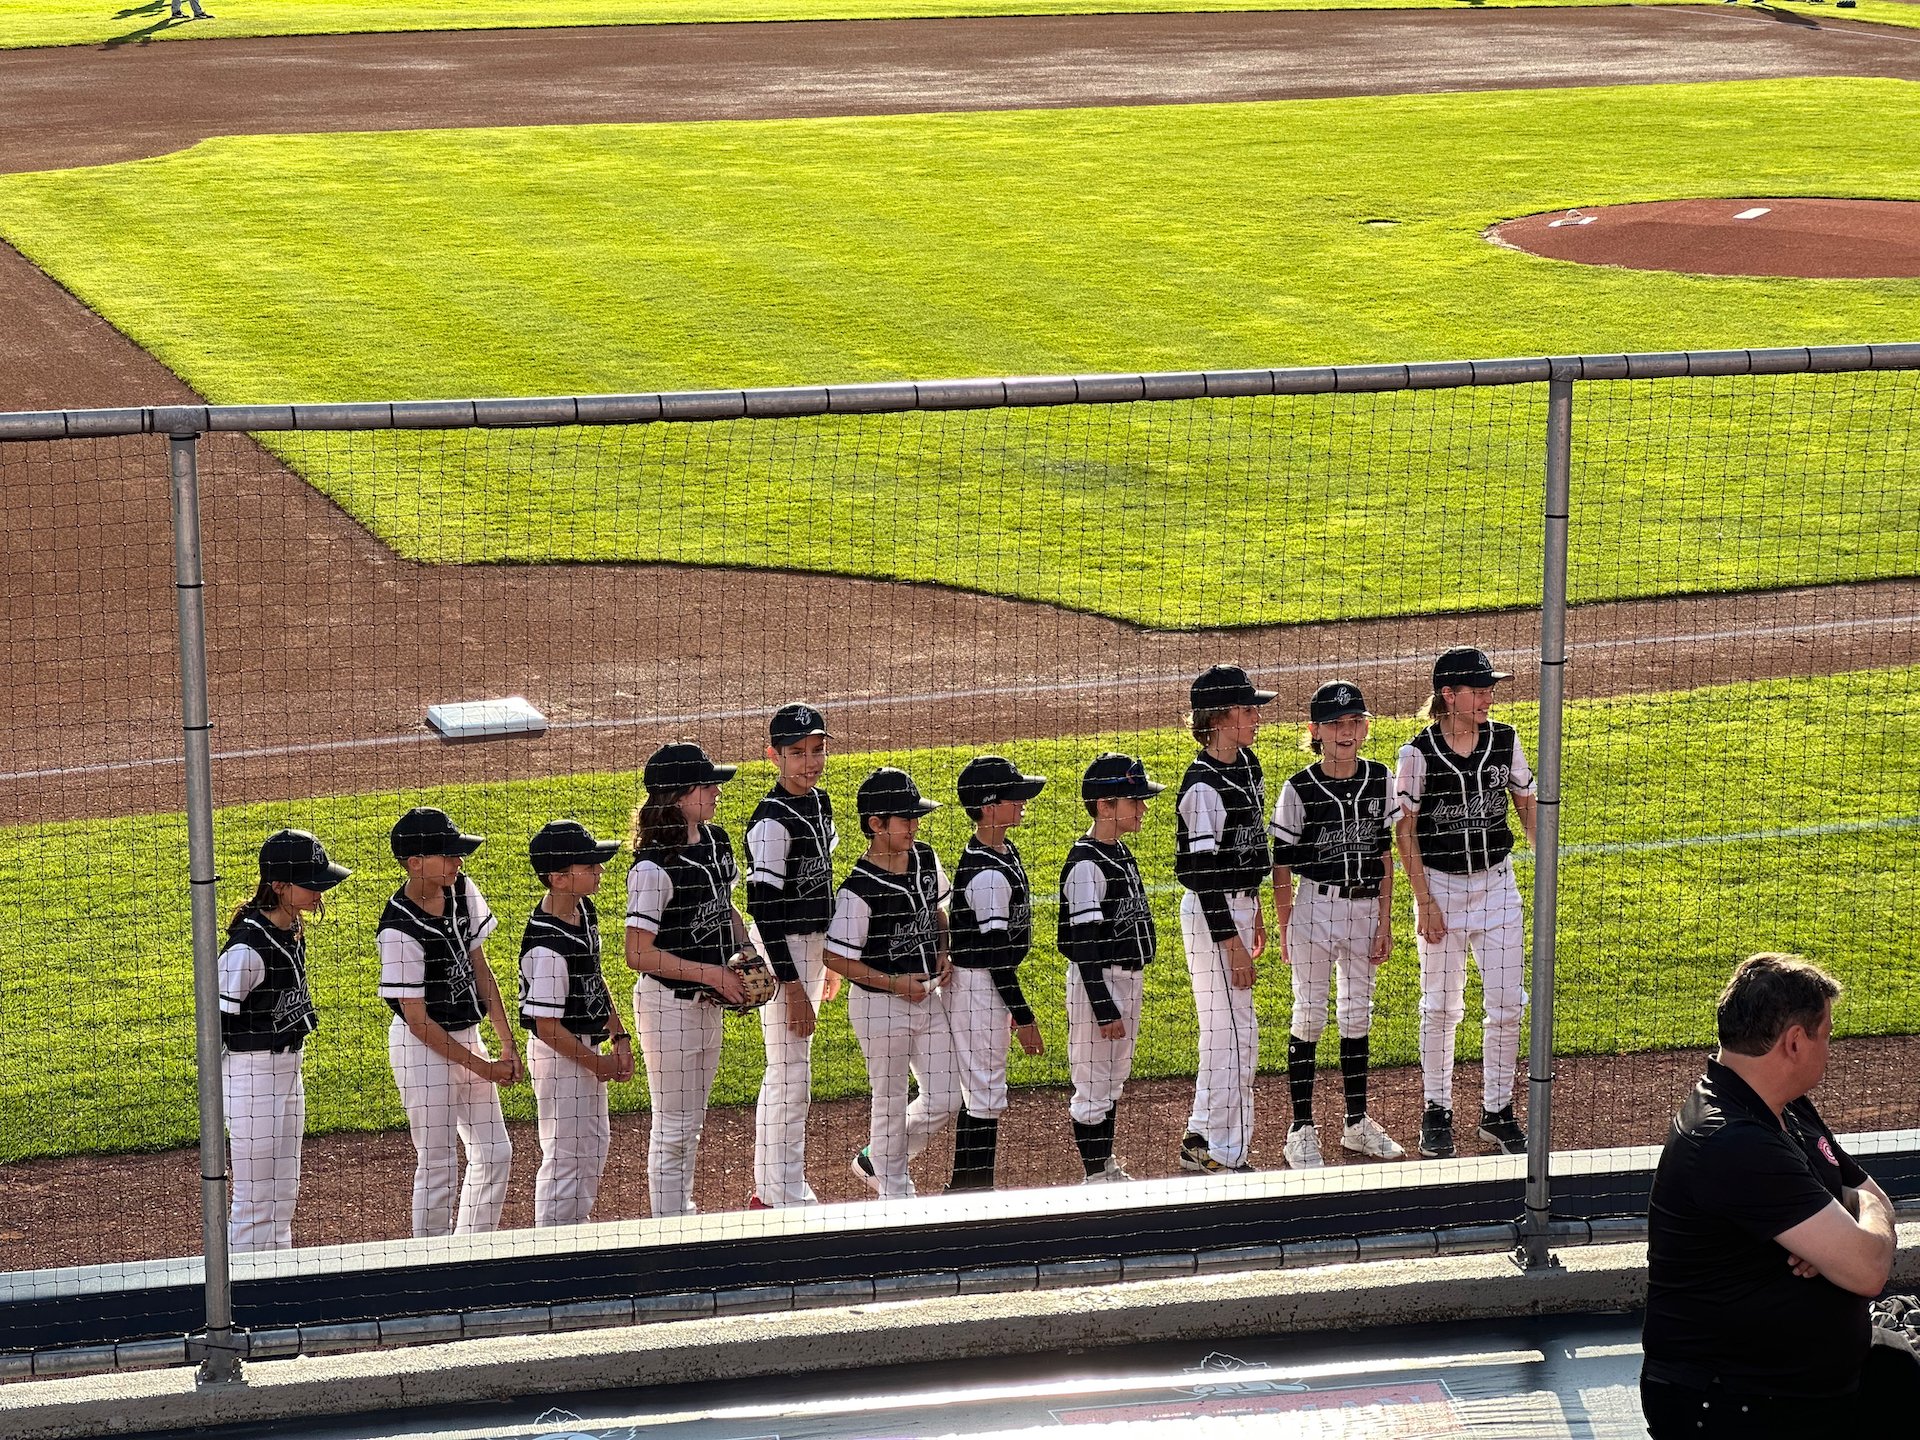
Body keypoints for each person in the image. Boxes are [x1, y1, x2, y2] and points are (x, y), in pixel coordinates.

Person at [1642, 953, 1920, 1435]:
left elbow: (1866, 1194)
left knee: (1898, 1366)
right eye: (1826, 1034)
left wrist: (1837, 1229)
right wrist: (1843, 1234)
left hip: (1802, 1385)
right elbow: (1869, 1267)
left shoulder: (1784, 1108)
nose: (1829, 1049)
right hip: (1738, 1405)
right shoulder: (1732, 1140)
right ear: (1795, 1041)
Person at [1393, 646, 1536, 1160]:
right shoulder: (1417, 754)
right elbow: (1403, 833)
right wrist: (1425, 901)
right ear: (1447, 695)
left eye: (1490, 689)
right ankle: (1437, 1109)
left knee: (1506, 1007)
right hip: (1442, 891)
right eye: (1479, 690)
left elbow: (1525, 803)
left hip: (1497, 886)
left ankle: (1497, 1113)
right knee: (1440, 1006)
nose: (1488, 698)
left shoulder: (1505, 739)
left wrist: (1542, 863)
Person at [1270, 681, 1404, 1167]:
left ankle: (1356, 1123)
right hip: (1315, 910)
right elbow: (1280, 865)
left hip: (1366, 909)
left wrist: (1385, 920)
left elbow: (1385, 854)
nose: (1346, 732)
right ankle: (1300, 1127)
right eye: (1335, 724)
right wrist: (1286, 926)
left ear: (1365, 728)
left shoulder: (1380, 778)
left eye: (1354, 723)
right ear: (1315, 731)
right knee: (1310, 1012)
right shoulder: (1299, 788)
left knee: (1357, 1014)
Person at [625, 741, 756, 1218]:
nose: (717, 791)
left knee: (692, 1123)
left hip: (708, 1002)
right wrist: (711, 973)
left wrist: (746, 953)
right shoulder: (653, 868)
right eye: (707, 784)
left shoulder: (717, 842)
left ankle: (680, 1211)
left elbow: (726, 910)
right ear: (680, 795)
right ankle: (669, 1227)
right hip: (669, 1008)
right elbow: (636, 953)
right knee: (673, 1126)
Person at [378, 806, 521, 1237]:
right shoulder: (398, 929)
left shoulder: (461, 890)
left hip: (466, 1034)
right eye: (448, 855)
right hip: (422, 1051)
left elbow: (480, 967)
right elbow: (418, 1020)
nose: (459, 862)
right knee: (438, 1163)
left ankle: (470, 1250)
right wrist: (483, 1068)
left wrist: (506, 1042)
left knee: (495, 1153)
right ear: (415, 862)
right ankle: (430, 1267)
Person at [824, 767, 957, 1200]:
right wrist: (895, 984)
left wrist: (943, 947)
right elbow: (835, 957)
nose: (914, 826)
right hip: (881, 1007)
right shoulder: (857, 890)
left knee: (946, 1097)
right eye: (905, 819)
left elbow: (939, 909)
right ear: (876, 825)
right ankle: (894, 1190)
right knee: (889, 1096)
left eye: (916, 817)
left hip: (927, 998)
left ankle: (874, 1160)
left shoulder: (924, 858)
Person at [218, 829, 349, 1252]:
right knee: (255, 1200)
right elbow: (213, 1024)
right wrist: (229, 1090)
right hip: (252, 1075)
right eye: (309, 882)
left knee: (284, 1191)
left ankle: (279, 1282)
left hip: (289, 1069)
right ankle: (238, 1297)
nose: (320, 890)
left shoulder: (290, 926)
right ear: (278, 885)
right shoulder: (246, 950)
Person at [1175, 663, 1273, 1175]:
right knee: (1238, 1035)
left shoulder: (1247, 765)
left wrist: (1252, 908)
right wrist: (1231, 939)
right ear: (1220, 717)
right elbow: (1204, 873)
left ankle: (1201, 1134)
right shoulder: (1203, 787)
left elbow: (1248, 848)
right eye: (1248, 708)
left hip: (1238, 905)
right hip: (1213, 913)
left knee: (1222, 1032)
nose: (1257, 716)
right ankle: (1229, 1155)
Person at [743, 703, 842, 1209]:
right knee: (789, 1074)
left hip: (812, 951)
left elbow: (821, 887)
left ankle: (778, 1187)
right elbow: (764, 911)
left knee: (792, 1073)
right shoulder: (770, 822)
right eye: (797, 753)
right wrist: (794, 987)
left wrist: (826, 962)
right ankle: (778, 1192)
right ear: (774, 756)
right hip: (784, 952)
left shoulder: (821, 804)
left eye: (817, 750)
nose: (809, 762)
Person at [518, 819, 630, 1228]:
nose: (600, 870)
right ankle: (551, 1250)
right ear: (559, 878)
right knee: (566, 1154)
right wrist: (595, 1063)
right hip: (560, 1056)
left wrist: (619, 1035)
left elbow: (594, 977)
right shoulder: (547, 946)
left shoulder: (584, 910)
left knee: (594, 1145)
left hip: (585, 1047)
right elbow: (546, 1027)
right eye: (590, 865)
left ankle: (575, 1230)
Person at [944, 755, 1048, 1191]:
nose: (1023, 802)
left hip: (984, 985)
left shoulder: (1001, 849)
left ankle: (966, 1188)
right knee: (984, 1094)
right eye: (1014, 796)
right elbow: (997, 957)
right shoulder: (987, 873)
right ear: (988, 806)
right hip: (979, 988)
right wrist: (1024, 1017)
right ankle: (970, 1192)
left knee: (982, 1092)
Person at [1059, 753, 1162, 1184]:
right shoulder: (1086, 864)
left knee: (1114, 1080)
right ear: (1105, 806)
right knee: (1092, 1083)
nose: (1142, 807)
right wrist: (1103, 1006)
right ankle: (1095, 1175)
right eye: (1134, 800)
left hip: (1127, 981)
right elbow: (1082, 946)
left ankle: (1106, 1166)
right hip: (1098, 984)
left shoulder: (1118, 851)